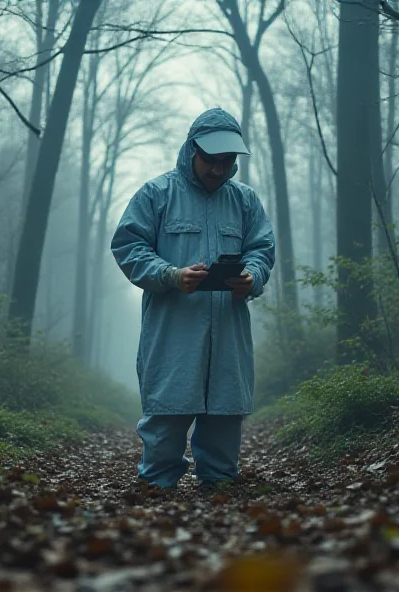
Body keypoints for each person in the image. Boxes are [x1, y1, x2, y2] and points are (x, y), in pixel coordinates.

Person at [110, 107, 275, 489]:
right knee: (167, 411)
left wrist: (252, 277)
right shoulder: (156, 194)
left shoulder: (245, 201)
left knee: (224, 412)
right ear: (191, 151)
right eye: (211, 160)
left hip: (228, 331)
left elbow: (262, 249)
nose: (219, 169)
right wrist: (170, 275)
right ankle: (156, 492)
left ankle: (218, 491)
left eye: (227, 161)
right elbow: (128, 246)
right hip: (172, 331)